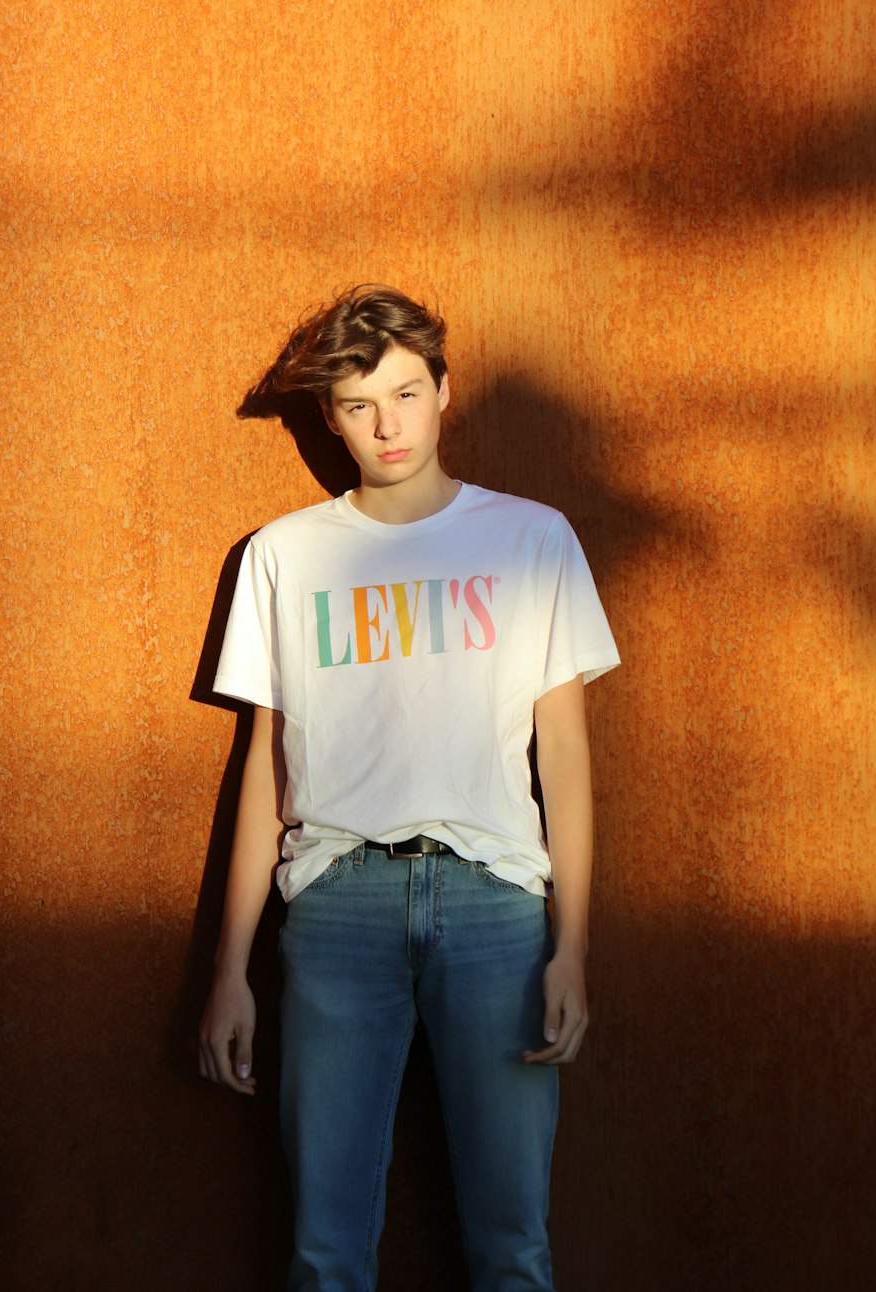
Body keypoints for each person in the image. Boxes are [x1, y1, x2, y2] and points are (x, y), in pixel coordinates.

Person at [199, 284, 619, 1292]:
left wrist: (571, 948)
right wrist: (228, 970)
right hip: (337, 906)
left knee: (512, 1245)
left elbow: (562, 753)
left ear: (443, 391)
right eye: (356, 404)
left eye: (404, 393)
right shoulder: (282, 558)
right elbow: (266, 764)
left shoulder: (531, 540)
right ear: (331, 416)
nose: (386, 426)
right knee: (326, 1248)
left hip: (494, 908)